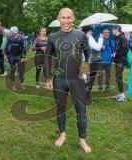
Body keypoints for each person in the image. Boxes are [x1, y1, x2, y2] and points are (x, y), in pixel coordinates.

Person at [44, 8, 91, 153]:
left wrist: (85, 66)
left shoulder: (81, 35)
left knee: (81, 111)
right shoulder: (52, 37)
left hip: (76, 79)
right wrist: (47, 78)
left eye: (68, 17)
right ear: (59, 19)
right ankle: (62, 134)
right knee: (60, 109)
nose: (66, 21)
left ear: (73, 18)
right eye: (63, 18)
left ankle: (82, 140)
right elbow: (47, 58)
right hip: (59, 80)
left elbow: (88, 54)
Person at [81, 26, 103, 102]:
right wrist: (101, 38)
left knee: (84, 78)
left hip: (81, 60)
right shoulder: (89, 37)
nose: (92, 32)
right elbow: (98, 48)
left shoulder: (79, 36)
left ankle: (82, 95)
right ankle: (87, 96)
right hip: (89, 61)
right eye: (91, 31)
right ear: (88, 31)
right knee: (90, 78)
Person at [4, 26, 27, 91]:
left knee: (21, 71)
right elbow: (6, 46)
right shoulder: (9, 38)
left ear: (15, 32)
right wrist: (5, 55)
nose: (10, 32)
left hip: (19, 56)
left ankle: (22, 83)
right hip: (11, 55)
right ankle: (13, 85)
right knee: (12, 70)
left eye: (11, 31)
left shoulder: (21, 38)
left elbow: (24, 48)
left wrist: (24, 57)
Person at [111, 25, 129, 102]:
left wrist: (116, 54)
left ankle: (122, 95)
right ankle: (119, 93)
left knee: (119, 77)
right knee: (117, 77)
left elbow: (126, 49)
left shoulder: (122, 38)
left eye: (113, 30)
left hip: (121, 60)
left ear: (117, 30)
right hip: (117, 60)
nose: (112, 31)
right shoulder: (117, 38)